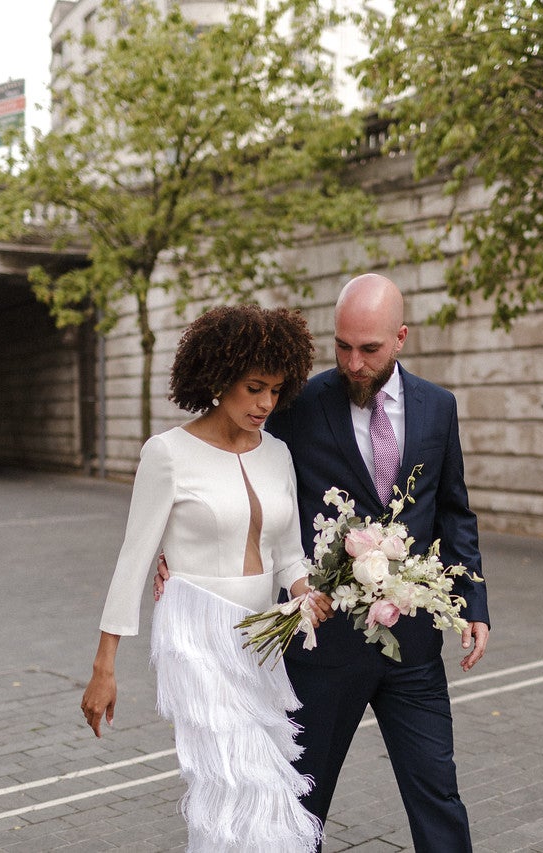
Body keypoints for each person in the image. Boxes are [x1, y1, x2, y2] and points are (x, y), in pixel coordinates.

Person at [158, 273, 491, 852]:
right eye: (342, 346)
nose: (353, 363)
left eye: (369, 349)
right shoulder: (302, 403)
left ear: (401, 338)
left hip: (411, 648)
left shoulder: (439, 408)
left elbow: (454, 512)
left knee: (438, 793)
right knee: (300, 800)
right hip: (324, 645)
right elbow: (233, 455)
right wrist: (176, 541)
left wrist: (474, 603)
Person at [80, 304, 333, 853]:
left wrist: (306, 593)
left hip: (264, 636)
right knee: (233, 782)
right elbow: (133, 559)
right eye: (253, 388)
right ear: (219, 379)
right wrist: (105, 666)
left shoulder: (279, 454)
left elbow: (288, 555)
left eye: (276, 390)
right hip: (196, 634)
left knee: (265, 783)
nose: (266, 403)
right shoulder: (167, 454)